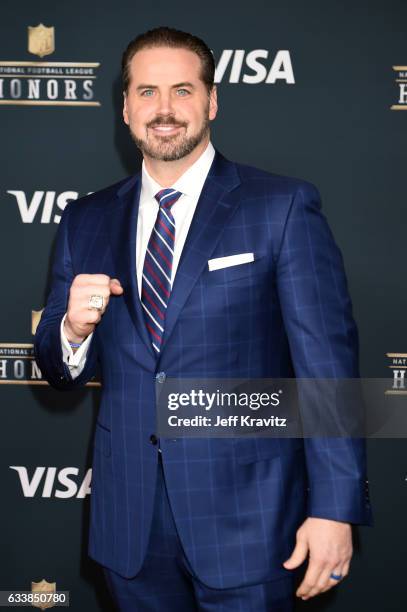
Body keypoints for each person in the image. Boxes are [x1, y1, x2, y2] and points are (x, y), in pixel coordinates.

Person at [34, 26, 372, 612]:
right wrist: (71, 331)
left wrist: (334, 508)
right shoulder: (85, 219)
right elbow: (58, 373)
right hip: (128, 524)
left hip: (252, 522)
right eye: (147, 92)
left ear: (212, 101)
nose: (164, 109)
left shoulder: (281, 206)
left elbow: (327, 369)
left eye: (182, 90)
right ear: (125, 105)